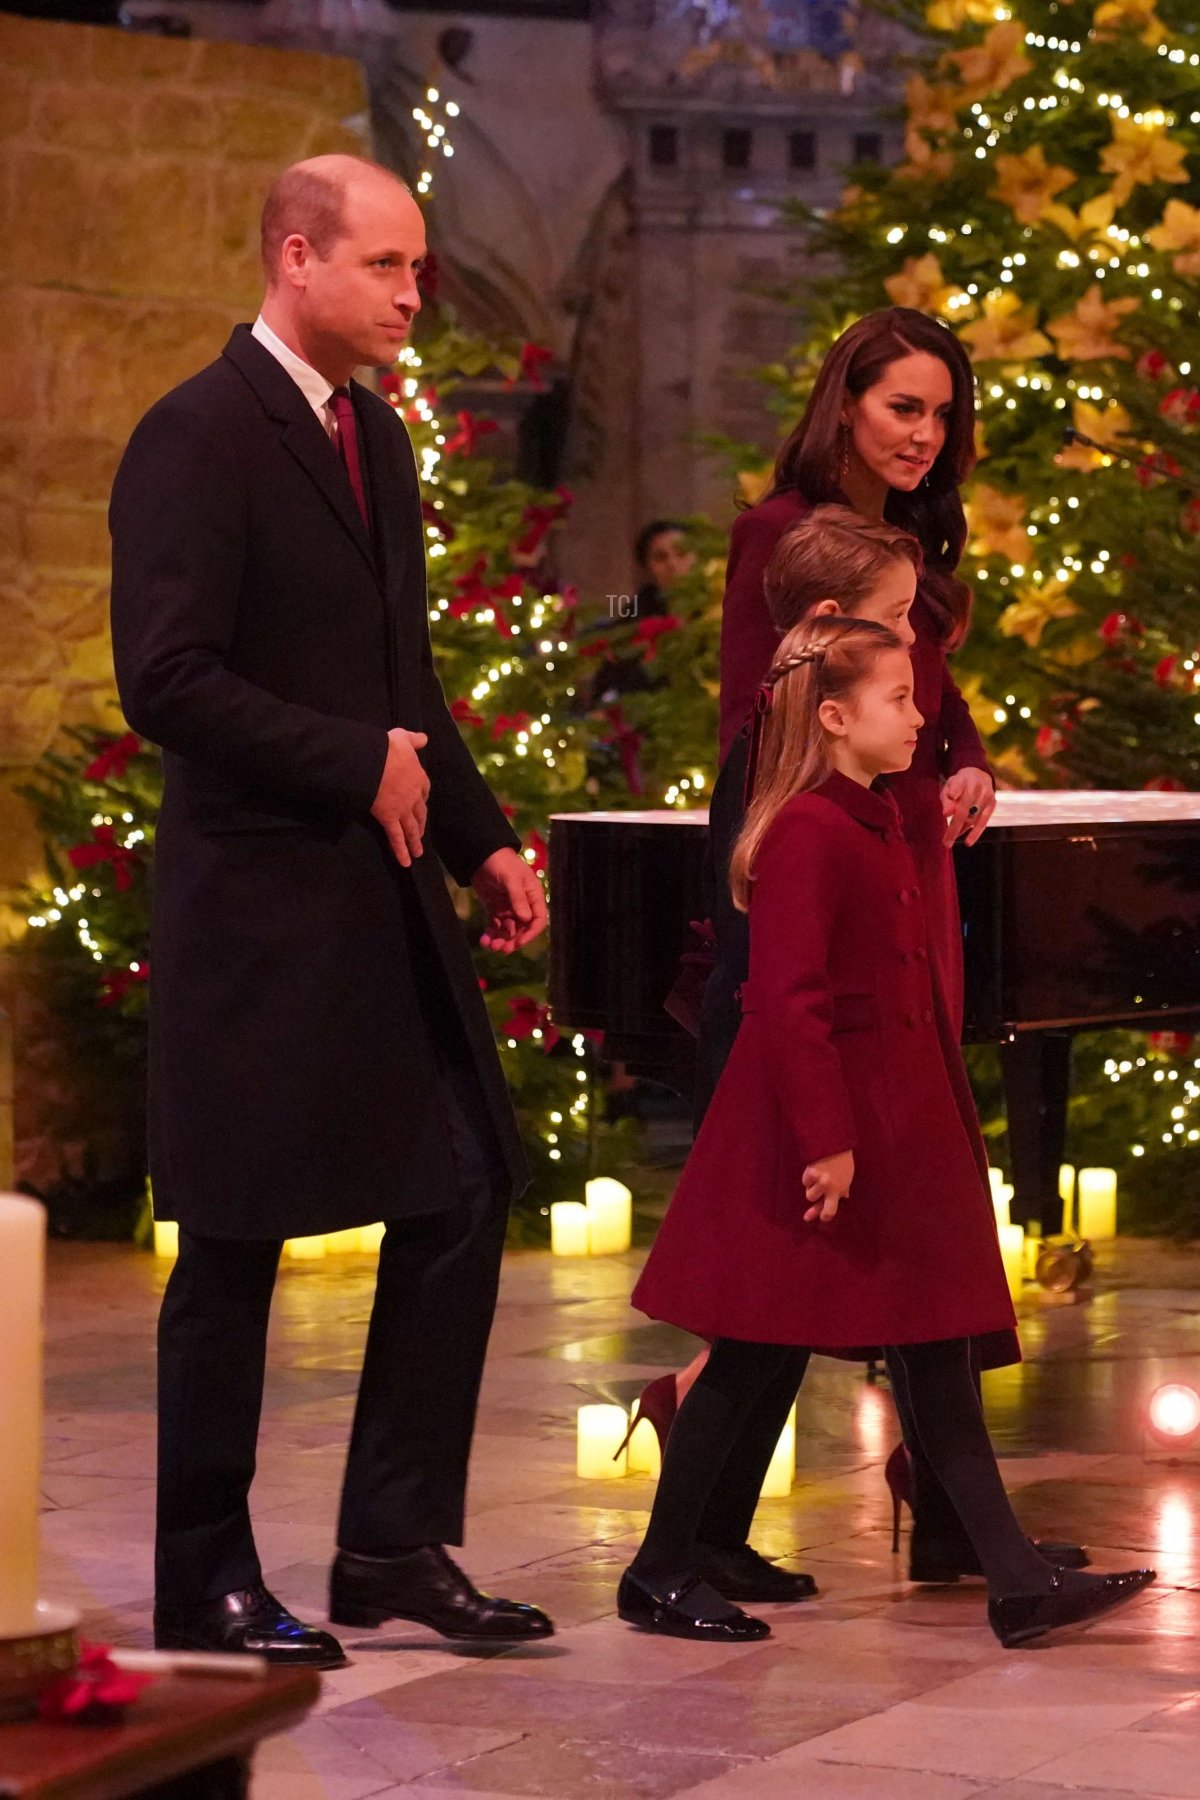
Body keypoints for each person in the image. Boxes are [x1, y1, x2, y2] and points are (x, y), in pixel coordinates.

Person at [109, 154, 554, 1668]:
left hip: (382, 899)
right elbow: (164, 680)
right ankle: (202, 1574)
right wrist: (354, 764)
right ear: (298, 259)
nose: (416, 296)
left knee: (465, 1184)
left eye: (420, 269)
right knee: (232, 1243)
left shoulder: (377, 439)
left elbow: (401, 679)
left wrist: (482, 840)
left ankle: (392, 1545)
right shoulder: (196, 435)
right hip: (259, 905)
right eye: (390, 267)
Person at [620, 615, 1155, 1647]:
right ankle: (658, 1568)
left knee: (933, 1343)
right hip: (814, 1131)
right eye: (901, 700)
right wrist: (827, 1138)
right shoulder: (809, 831)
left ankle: (1012, 1577)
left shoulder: (875, 812)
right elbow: (790, 1000)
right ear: (833, 716)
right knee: (747, 1353)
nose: (925, 716)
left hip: (890, 1120)